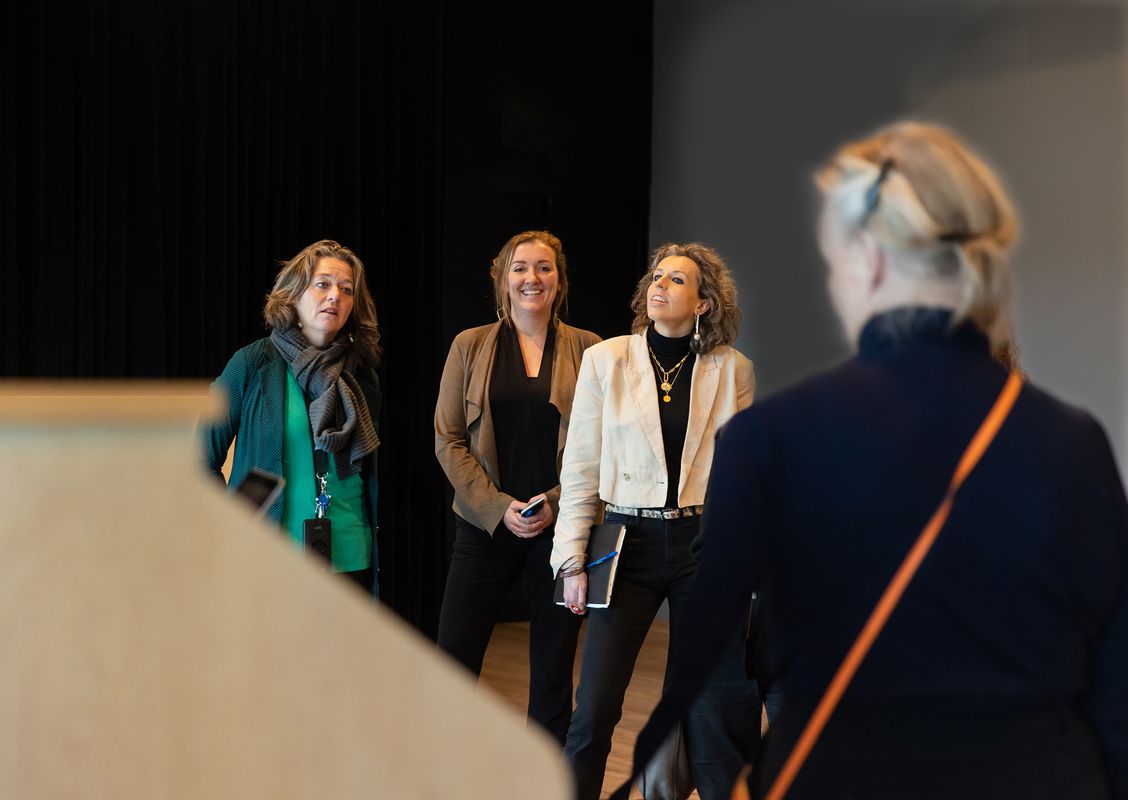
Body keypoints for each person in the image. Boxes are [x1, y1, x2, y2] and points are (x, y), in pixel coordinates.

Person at [623, 122, 1128, 799]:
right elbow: (1114, 682)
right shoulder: (1074, 443)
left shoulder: (765, 440)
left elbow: (714, 648)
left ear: (869, 260)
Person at [551, 242, 759, 800]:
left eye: (676, 280)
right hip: (625, 540)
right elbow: (580, 468)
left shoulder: (733, 369)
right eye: (656, 276)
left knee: (711, 707)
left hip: (703, 543)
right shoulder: (607, 360)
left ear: (704, 303)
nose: (659, 285)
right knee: (595, 706)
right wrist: (571, 561)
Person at [434, 230, 601, 745]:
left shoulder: (590, 349)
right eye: (520, 267)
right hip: (484, 525)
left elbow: (603, 445)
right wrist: (498, 506)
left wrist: (555, 503)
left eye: (544, 268)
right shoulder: (469, 344)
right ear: (502, 279)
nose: (533, 278)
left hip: (563, 528)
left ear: (560, 281)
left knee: (553, 672)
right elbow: (448, 439)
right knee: (453, 660)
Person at [201, 239, 382, 597]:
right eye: (323, 284)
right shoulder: (253, 363)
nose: (335, 296)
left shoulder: (362, 374)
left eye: (346, 290)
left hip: (350, 553)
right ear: (294, 295)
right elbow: (200, 461)